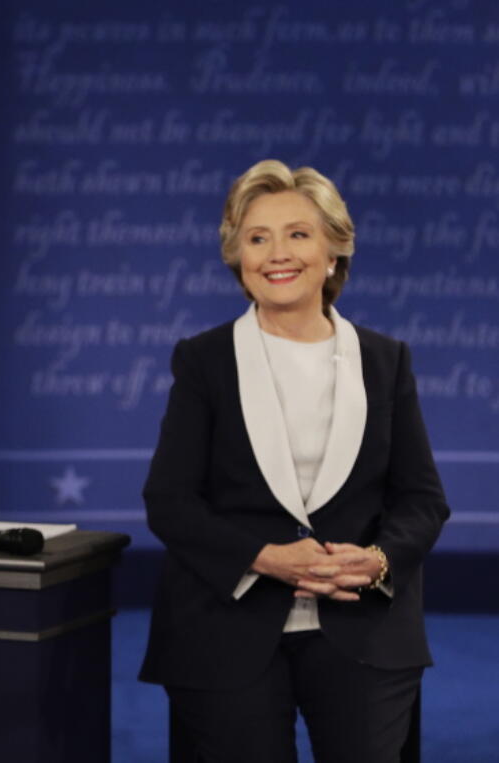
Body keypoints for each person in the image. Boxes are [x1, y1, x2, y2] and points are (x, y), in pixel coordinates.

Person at [139, 159, 449, 762]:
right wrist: (266, 558)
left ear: (333, 252)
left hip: (363, 628)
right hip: (225, 630)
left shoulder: (386, 360)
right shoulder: (203, 361)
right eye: (258, 238)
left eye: (298, 234)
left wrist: (378, 559)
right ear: (239, 259)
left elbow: (422, 499)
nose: (277, 253)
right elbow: (169, 501)